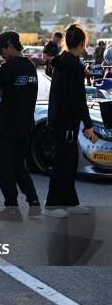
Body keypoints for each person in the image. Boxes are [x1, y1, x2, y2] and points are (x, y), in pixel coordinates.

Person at [44, 24, 98, 218]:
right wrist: (89, 124)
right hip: (66, 122)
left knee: (69, 161)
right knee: (63, 163)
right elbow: (78, 98)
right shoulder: (73, 65)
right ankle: (52, 205)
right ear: (82, 42)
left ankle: (70, 203)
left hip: (58, 119)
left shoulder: (63, 62)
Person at [0, 31, 40, 221]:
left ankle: (11, 209)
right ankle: (33, 202)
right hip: (26, 125)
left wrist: (1, 73)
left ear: (10, 46)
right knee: (19, 166)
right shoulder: (31, 67)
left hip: (7, 125)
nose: (1, 54)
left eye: (1, 50)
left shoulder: (7, 68)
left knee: (4, 168)